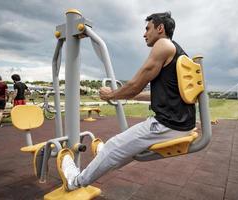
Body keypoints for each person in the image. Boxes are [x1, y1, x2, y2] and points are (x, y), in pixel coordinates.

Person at [59, 12, 196, 191]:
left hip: (168, 125)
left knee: (113, 146)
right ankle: (105, 157)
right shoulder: (179, 52)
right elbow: (160, 94)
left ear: (160, 28)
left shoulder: (163, 45)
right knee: (118, 149)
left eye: (148, 28)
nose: (144, 33)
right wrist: (128, 95)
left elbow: (135, 85)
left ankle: (74, 182)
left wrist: (111, 95)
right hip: (181, 122)